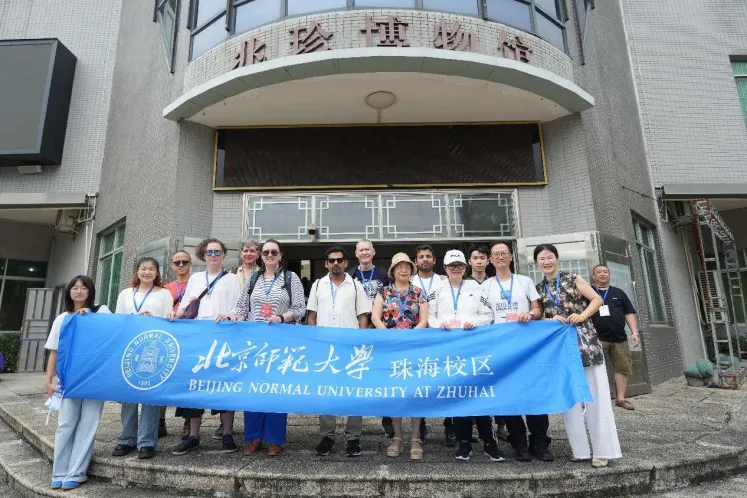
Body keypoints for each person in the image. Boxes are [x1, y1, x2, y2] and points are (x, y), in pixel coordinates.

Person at [534, 243, 622, 468]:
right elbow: (537, 316)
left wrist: (582, 315)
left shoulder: (573, 278)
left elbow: (597, 300)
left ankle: (603, 451)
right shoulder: (538, 288)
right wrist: (549, 319)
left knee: (596, 396)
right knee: (569, 398)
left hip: (585, 342)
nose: (546, 261)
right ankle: (580, 450)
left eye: (550, 257)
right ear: (536, 263)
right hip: (559, 347)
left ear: (557, 259)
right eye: (542, 258)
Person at [228, 239, 306, 457]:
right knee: (253, 390)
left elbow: (300, 308)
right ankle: (253, 437)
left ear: (280, 255)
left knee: (276, 391)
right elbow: (242, 308)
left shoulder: (291, 278)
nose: (270, 255)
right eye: (266, 252)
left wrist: (282, 316)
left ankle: (274, 439)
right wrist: (233, 316)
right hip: (255, 344)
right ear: (261, 256)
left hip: (280, 344)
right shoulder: (253, 278)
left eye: (274, 252)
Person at [427, 249, 504, 462]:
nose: (456, 269)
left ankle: (490, 443)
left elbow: (488, 315)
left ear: (465, 267)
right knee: (458, 395)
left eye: (459, 265)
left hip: (473, 348)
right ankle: (464, 443)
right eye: (452, 266)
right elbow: (430, 317)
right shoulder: (436, 289)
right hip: (448, 349)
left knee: (479, 394)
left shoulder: (476, 288)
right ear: (445, 268)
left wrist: (473, 323)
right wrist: (439, 324)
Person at [479, 243, 552, 462]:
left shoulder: (524, 281)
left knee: (534, 393)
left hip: (527, 346)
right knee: (509, 394)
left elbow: (537, 308)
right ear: (491, 260)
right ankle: (518, 442)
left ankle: (540, 442)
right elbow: (484, 316)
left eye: (504, 253)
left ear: (511, 257)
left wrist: (530, 314)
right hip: (501, 347)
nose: (500, 257)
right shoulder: (486, 286)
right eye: (496, 254)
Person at [170, 238, 242, 456]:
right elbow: (185, 307)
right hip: (199, 338)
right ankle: (193, 435)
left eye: (217, 252)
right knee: (196, 385)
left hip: (223, 337)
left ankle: (227, 432)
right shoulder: (195, 279)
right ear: (203, 255)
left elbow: (239, 309)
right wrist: (175, 314)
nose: (213, 255)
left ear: (223, 255)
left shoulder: (232, 279)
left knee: (225, 384)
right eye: (209, 252)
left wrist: (230, 315)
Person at [44, 275, 111, 490]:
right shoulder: (62, 318)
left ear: (90, 291)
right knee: (66, 423)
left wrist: (91, 319)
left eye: (83, 288)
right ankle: (60, 471)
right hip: (69, 379)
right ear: (69, 292)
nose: (79, 291)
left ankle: (76, 472)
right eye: (75, 287)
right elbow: (54, 351)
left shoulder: (101, 311)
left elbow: (113, 333)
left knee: (88, 423)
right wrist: (48, 380)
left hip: (94, 377)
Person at [307, 246, 371, 457]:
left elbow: (363, 316)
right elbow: (311, 316)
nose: (336, 263)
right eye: (332, 260)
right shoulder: (318, 285)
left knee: (353, 392)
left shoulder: (356, 286)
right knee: (325, 392)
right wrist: (314, 341)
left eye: (339, 260)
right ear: (326, 264)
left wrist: (361, 344)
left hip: (350, 348)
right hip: (325, 349)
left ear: (346, 263)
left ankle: (353, 436)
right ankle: (327, 435)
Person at [112, 257, 173, 460]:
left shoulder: (164, 294)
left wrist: (152, 319)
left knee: (149, 396)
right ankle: (127, 438)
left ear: (157, 273)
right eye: (143, 269)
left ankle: (147, 441)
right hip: (130, 349)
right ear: (137, 271)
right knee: (129, 395)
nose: (147, 272)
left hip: (154, 349)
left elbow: (168, 321)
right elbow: (118, 320)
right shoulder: (125, 294)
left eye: (151, 269)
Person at [372, 252, 429, 461]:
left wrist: (410, 337)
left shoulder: (419, 292)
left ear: (412, 270)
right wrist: (389, 336)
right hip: (391, 349)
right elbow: (375, 318)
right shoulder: (383, 292)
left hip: (414, 349)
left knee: (414, 393)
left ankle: (415, 438)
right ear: (393, 271)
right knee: (394, 393)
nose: (403, 270)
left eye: (407, 267)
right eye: (399, 267)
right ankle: (397, 437)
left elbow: (424, 320)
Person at [347, 239, 393, 437]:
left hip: (380, 331)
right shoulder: (350, 275)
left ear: (373, 252)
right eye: (361, 250)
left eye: (368, 249)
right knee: (358, 375)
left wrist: (380, 323)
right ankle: (354, 423)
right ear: (356, 254)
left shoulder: (383, 274)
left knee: (384, 375)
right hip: (357, 331)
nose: (364, 253)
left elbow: (392, 300)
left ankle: (388, 418)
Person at [411, 244, 451, 446]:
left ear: (434, 260)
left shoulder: (445, 281)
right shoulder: (409, 281)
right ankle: (421, 426)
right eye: (421, 256)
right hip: (416, 339)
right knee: (418, 383)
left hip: (440, 337)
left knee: (446, 380)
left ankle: (450, 424)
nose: (425, 259)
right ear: (416, 261)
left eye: (428, 256)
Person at [590, 264, 640, 410]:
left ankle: (620, 399)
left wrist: (634, 333)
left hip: (619, 338)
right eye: (599, 272)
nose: (602, 274)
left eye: (605, 272)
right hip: (595, 338)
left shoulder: (618, 292)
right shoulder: (589, 292)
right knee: (594, 369)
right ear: (593, 276)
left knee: (622, 368)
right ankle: (595, 400)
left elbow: (628, 313)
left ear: (609, 275)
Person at [163, 250, 193, 439]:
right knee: (165, 378)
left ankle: (188, 422)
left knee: (188, 380)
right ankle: (159, 422)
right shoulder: (166, 289)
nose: (181, 265)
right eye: (177, 262)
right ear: (172, 265)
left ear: (191, 263)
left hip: (190, 337)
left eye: (184, 262)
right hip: (171, 337)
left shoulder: (197, 285)